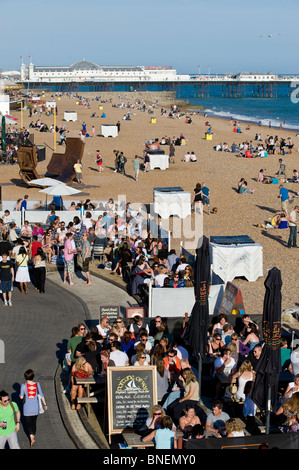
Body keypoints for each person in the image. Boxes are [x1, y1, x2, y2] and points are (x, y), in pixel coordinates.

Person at [19, 369, 47, 447]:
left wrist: (21, 395)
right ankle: (33, 435)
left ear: (25, 377)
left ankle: (31, 437)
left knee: (28, 424)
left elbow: (21, 397)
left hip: (27, 409)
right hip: (35, 408)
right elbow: (41, 395)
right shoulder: (37, 384)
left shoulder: (23, 386)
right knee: (33, 423)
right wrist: (45, 405)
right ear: (33, 377)